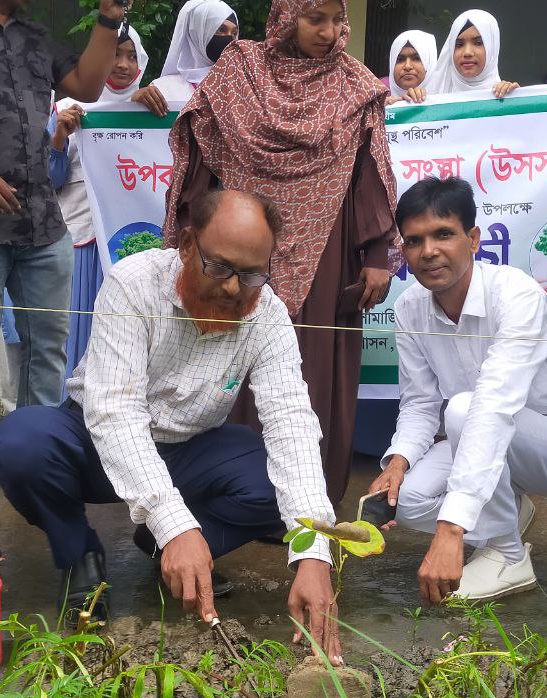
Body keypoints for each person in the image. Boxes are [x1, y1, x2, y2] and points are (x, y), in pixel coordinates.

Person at [0, 190, 342, 661]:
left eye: (252, 274)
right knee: (24, 443)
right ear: (186, 244)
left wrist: (314, 553)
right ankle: (80, 556)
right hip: (94, 441)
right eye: (219, 267)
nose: (234, 289)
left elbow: (291, 423)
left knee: (276, 484)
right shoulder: (134, 282)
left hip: (190, 449)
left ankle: (165, 551)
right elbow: (113, 412)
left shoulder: (267, 314)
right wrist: (174, 523)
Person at [164, 0, 399, 506]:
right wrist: (190, 234)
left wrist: (377, 252)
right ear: (287, 17)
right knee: (229, 361)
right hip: (236, 246)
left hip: (327, 248)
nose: (330, 31)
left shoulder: (354, 85)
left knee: (311, 366)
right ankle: (226, 495)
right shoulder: (239, 70)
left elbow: (369, 173)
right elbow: (202, 140)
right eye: (316, 18)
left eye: (338, 21)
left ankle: (303, 502)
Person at [367, 177, 547, 604]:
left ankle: (510, 556)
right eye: (414, 240)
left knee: (465, 408)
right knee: (409, 500)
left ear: (473, 239)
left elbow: (492, 406)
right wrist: (397, 463)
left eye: (443, 234)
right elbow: (419, 401)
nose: (429, 251)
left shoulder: (516, 295)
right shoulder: (409, 306)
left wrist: (452, 529)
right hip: (472, 431)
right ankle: (504, 515)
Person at [0, 0, 125, 499]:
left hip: (44, 221)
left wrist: (109, 18)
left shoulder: (37, 35)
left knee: (48, 344)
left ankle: (36, 454)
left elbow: (87, 87)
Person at [49, 25, 150, 378]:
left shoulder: (152, 110)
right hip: (81, 243)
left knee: (122, 337)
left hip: (128, 248)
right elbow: (50, 180)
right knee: (75, 335)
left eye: (131, 56)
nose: (122, 64)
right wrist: (60, 137)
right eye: (114, 54)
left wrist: (142, 113)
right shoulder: (67, 108)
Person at [132, 0, 238, 114]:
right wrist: (133, 102)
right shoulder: (162, 89)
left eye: (233, 33)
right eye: (220, 30)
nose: (229, 40)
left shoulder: (242, 87)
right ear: (197, 33)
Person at [419, 10, 519, 99]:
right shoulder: (431, 99)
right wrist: (409, 104)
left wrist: (517, 99)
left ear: (492, 49)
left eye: (478, 43)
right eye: (459, 44)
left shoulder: (506, 96)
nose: (467, 52)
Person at [386, 30, 436, 104]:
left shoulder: (446, 93)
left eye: (416, 59)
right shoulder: (378, 94)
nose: (407, 66)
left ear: (429, 63)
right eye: (400, 60)